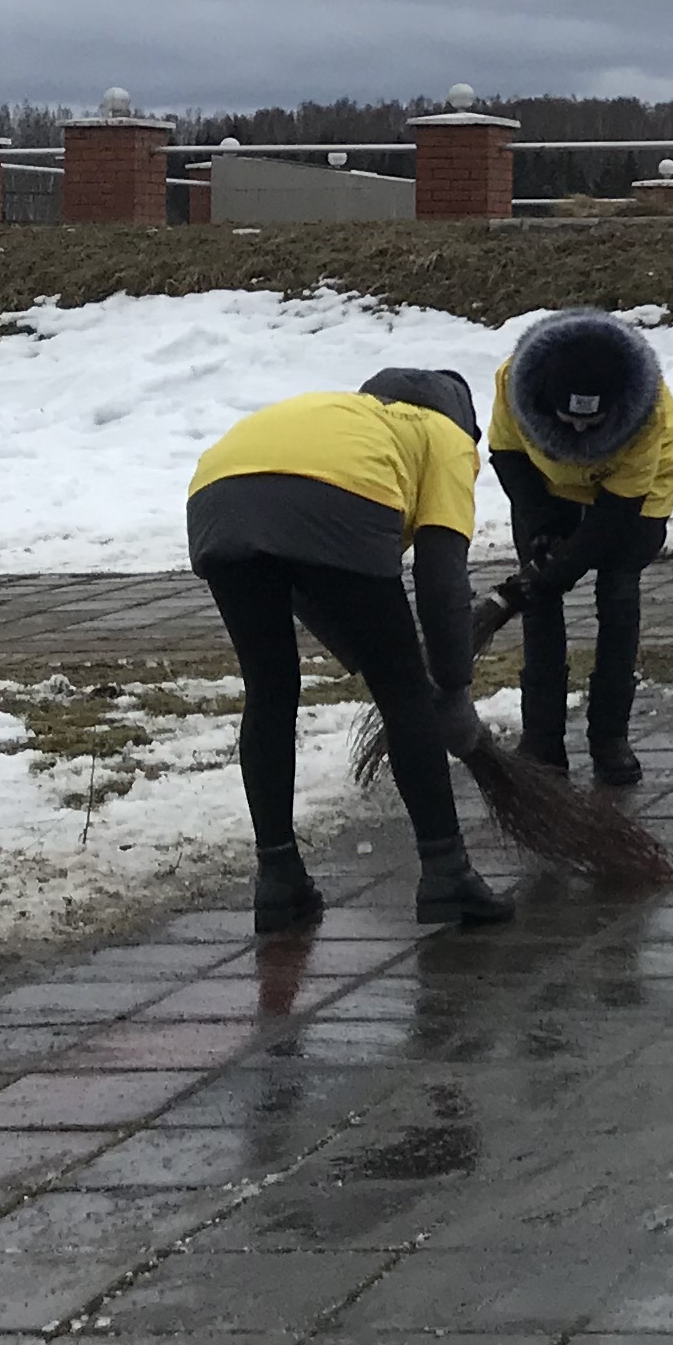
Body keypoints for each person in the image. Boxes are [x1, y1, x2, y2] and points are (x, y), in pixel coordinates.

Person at [185, 366, 508, 933]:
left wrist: (362, 649)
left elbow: (301, 564)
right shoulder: (447, 437)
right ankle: (447, 872)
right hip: (336, 498)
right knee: (403, 693)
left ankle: (278, 879)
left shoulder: (345, 415)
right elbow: (441, 579)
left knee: (270, 688)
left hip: (217, 495)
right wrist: (452, 688)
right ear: (463, 421)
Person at [487, 311, 673, 786]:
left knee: (617, 595)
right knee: (539, 604)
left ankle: (610, 738)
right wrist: (541, 528)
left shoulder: (648, 412)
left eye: (592, 421)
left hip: (636, 491)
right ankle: (542, 741)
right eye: (569, 420)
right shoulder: (514, 382)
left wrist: (567, 566)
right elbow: (508, 454)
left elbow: (619, 510)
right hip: (546, 482)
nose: (579, 430)